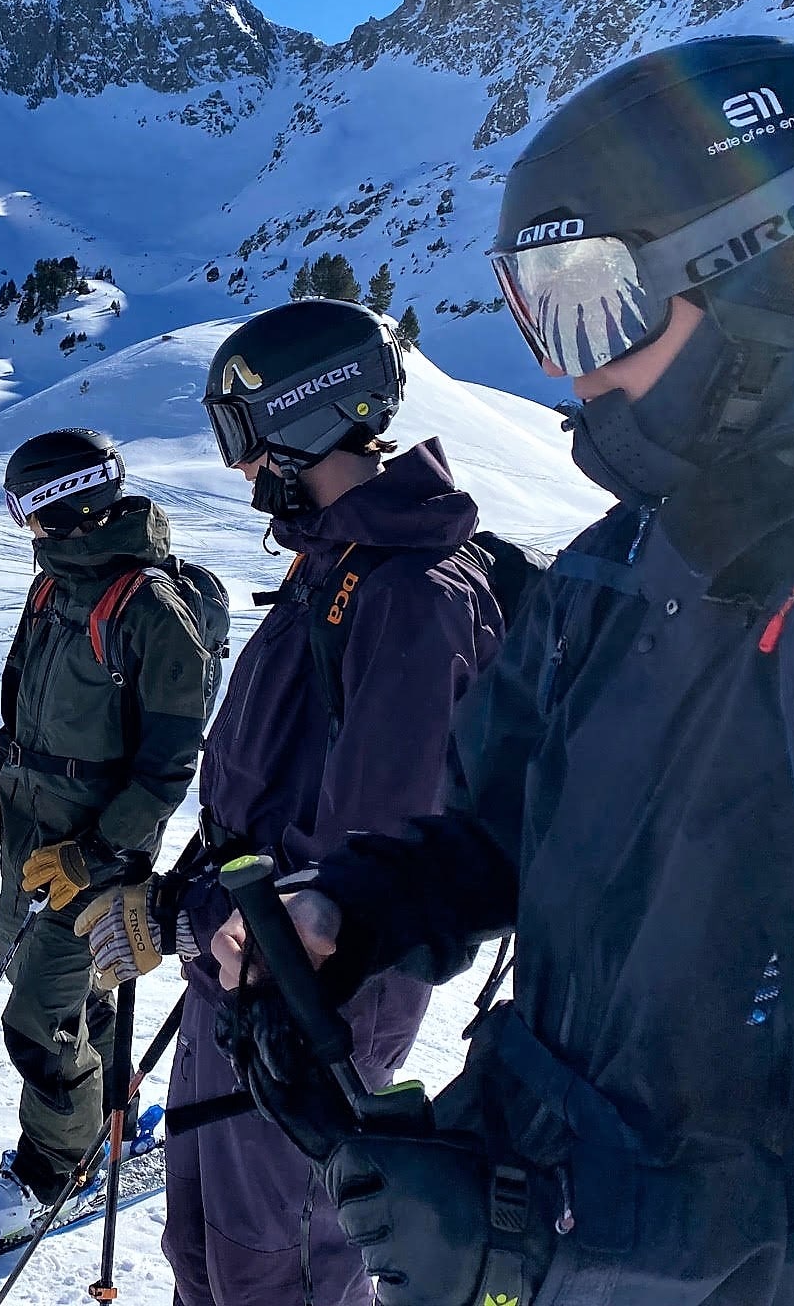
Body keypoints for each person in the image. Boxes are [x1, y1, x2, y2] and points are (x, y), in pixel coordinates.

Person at [214, 36, 794, 1305]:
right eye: (544, 313)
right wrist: (354, 911)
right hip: (561, 1217)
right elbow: (497, 833)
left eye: (600, 303)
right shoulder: (618, 564)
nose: (576, 372)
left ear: (774, 274)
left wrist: (592, 1227)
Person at [78, 301, 503, 1304]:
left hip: (320, 1008)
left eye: (240, 434)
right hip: (240, 973)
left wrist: (185, 920)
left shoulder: (412, 598)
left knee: (280, 1267)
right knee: (203, 1246)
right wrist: (173, 901)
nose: (235, 467)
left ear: (306, 416)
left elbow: (362, 855)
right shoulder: (328, 571)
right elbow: (257, 796)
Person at [0, 428, 212, 1242]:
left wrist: (97, 852)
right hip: (32, 836)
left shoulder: (150, 610)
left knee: (37, 1018)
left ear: (64, 508)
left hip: (95, 853)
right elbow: (22, 708)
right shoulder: (51, 590)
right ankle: (109, 1114)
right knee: (51, 978)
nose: (24, 528)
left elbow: (169, 766)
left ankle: (53, 1166)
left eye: (26, 511)